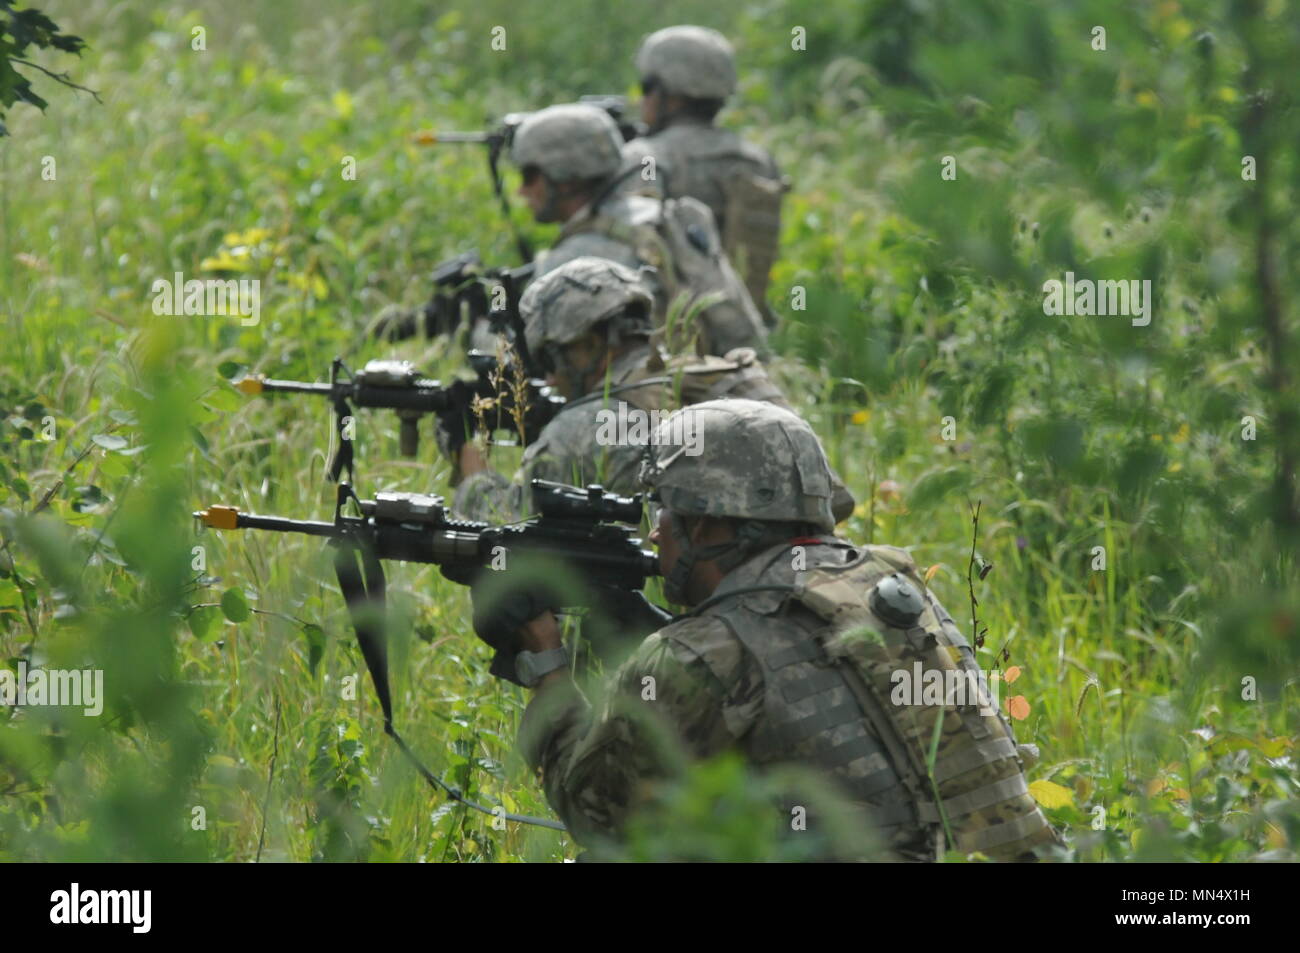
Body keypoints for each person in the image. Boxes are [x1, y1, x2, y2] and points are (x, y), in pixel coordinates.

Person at [470, 399, 1062, 861]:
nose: (654, 534)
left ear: (707, 524)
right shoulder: (894, 584)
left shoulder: (704, 653)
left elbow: (597, 814)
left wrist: (545, 660)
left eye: (665, 513)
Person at [446, 256, 853, 524]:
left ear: (587, 343)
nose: (550, 378)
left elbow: (506, 526)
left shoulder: (581, 429)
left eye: (551, 359)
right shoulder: (717, 377)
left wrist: (472, 466)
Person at [496, 102, 768, 358]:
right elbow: (743, 329)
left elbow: (520, 357)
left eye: (529, 175)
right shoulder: (671, 216)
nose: (522, 190)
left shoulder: (576, 258)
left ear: (565, 178)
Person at [620, 26, 786, 326]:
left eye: (646, 87)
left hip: (671, 336)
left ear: (667, 94)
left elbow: (627, 253)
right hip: (746, 329)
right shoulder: (757, 160)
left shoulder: (645, 156)